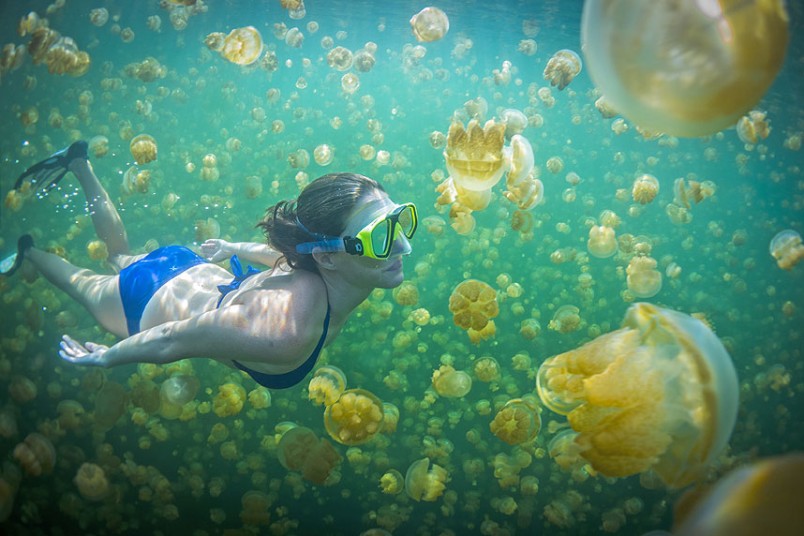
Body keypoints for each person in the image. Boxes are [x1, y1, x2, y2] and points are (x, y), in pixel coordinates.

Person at [1, 141, 418, 389]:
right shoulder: (284, 333)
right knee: (83, 282)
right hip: (148, 300)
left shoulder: (313, 265)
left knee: (117, 255)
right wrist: (106, 358)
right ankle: (28, 253)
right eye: (380, 236)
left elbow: (285, 260)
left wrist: (234, 245)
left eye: (400, 221)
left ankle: (78, 163)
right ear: (326, 256)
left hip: (186, 266)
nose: (402, 245)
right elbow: (170, 339)